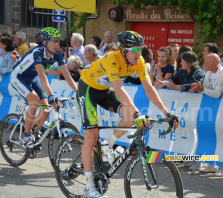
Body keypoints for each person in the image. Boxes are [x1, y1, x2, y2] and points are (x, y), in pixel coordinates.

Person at [77, 31, 179, 198]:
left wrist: (167, 113)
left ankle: (108, 144)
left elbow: (149, 89)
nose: (139, 53)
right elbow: (119, 90)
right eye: (135, 50)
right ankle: (89, 187)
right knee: (92, 136)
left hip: (105, 90)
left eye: (141, 49)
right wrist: (138, 113)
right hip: (88, 89)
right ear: (123, 51)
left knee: (130, 117)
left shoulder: (139, 61)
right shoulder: (111, 58)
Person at [10, 27, 77, 148]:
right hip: (18, 77)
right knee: (34, 101)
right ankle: (26, 136)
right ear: (45, 42)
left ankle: (33, 134)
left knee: (46, 107)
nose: (57, 44)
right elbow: (41, 75)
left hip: (32, 77)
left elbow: (66, 74)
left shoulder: (57, 54)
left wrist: (78, 92)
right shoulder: (38, 52)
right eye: (54, 41)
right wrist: (51, 94)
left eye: (58, 41)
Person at [189, 53, 223, 176]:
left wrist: (203, 90)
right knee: (209, 136)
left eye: (206, 63)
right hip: (210, 109)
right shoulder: (209, 71)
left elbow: (217, 94)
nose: (204, 65)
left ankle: (222, 168)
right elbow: (206, 88)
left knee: (220, 138)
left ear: (213, 64)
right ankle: (211, 165)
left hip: (221, 110)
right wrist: (199, 87)